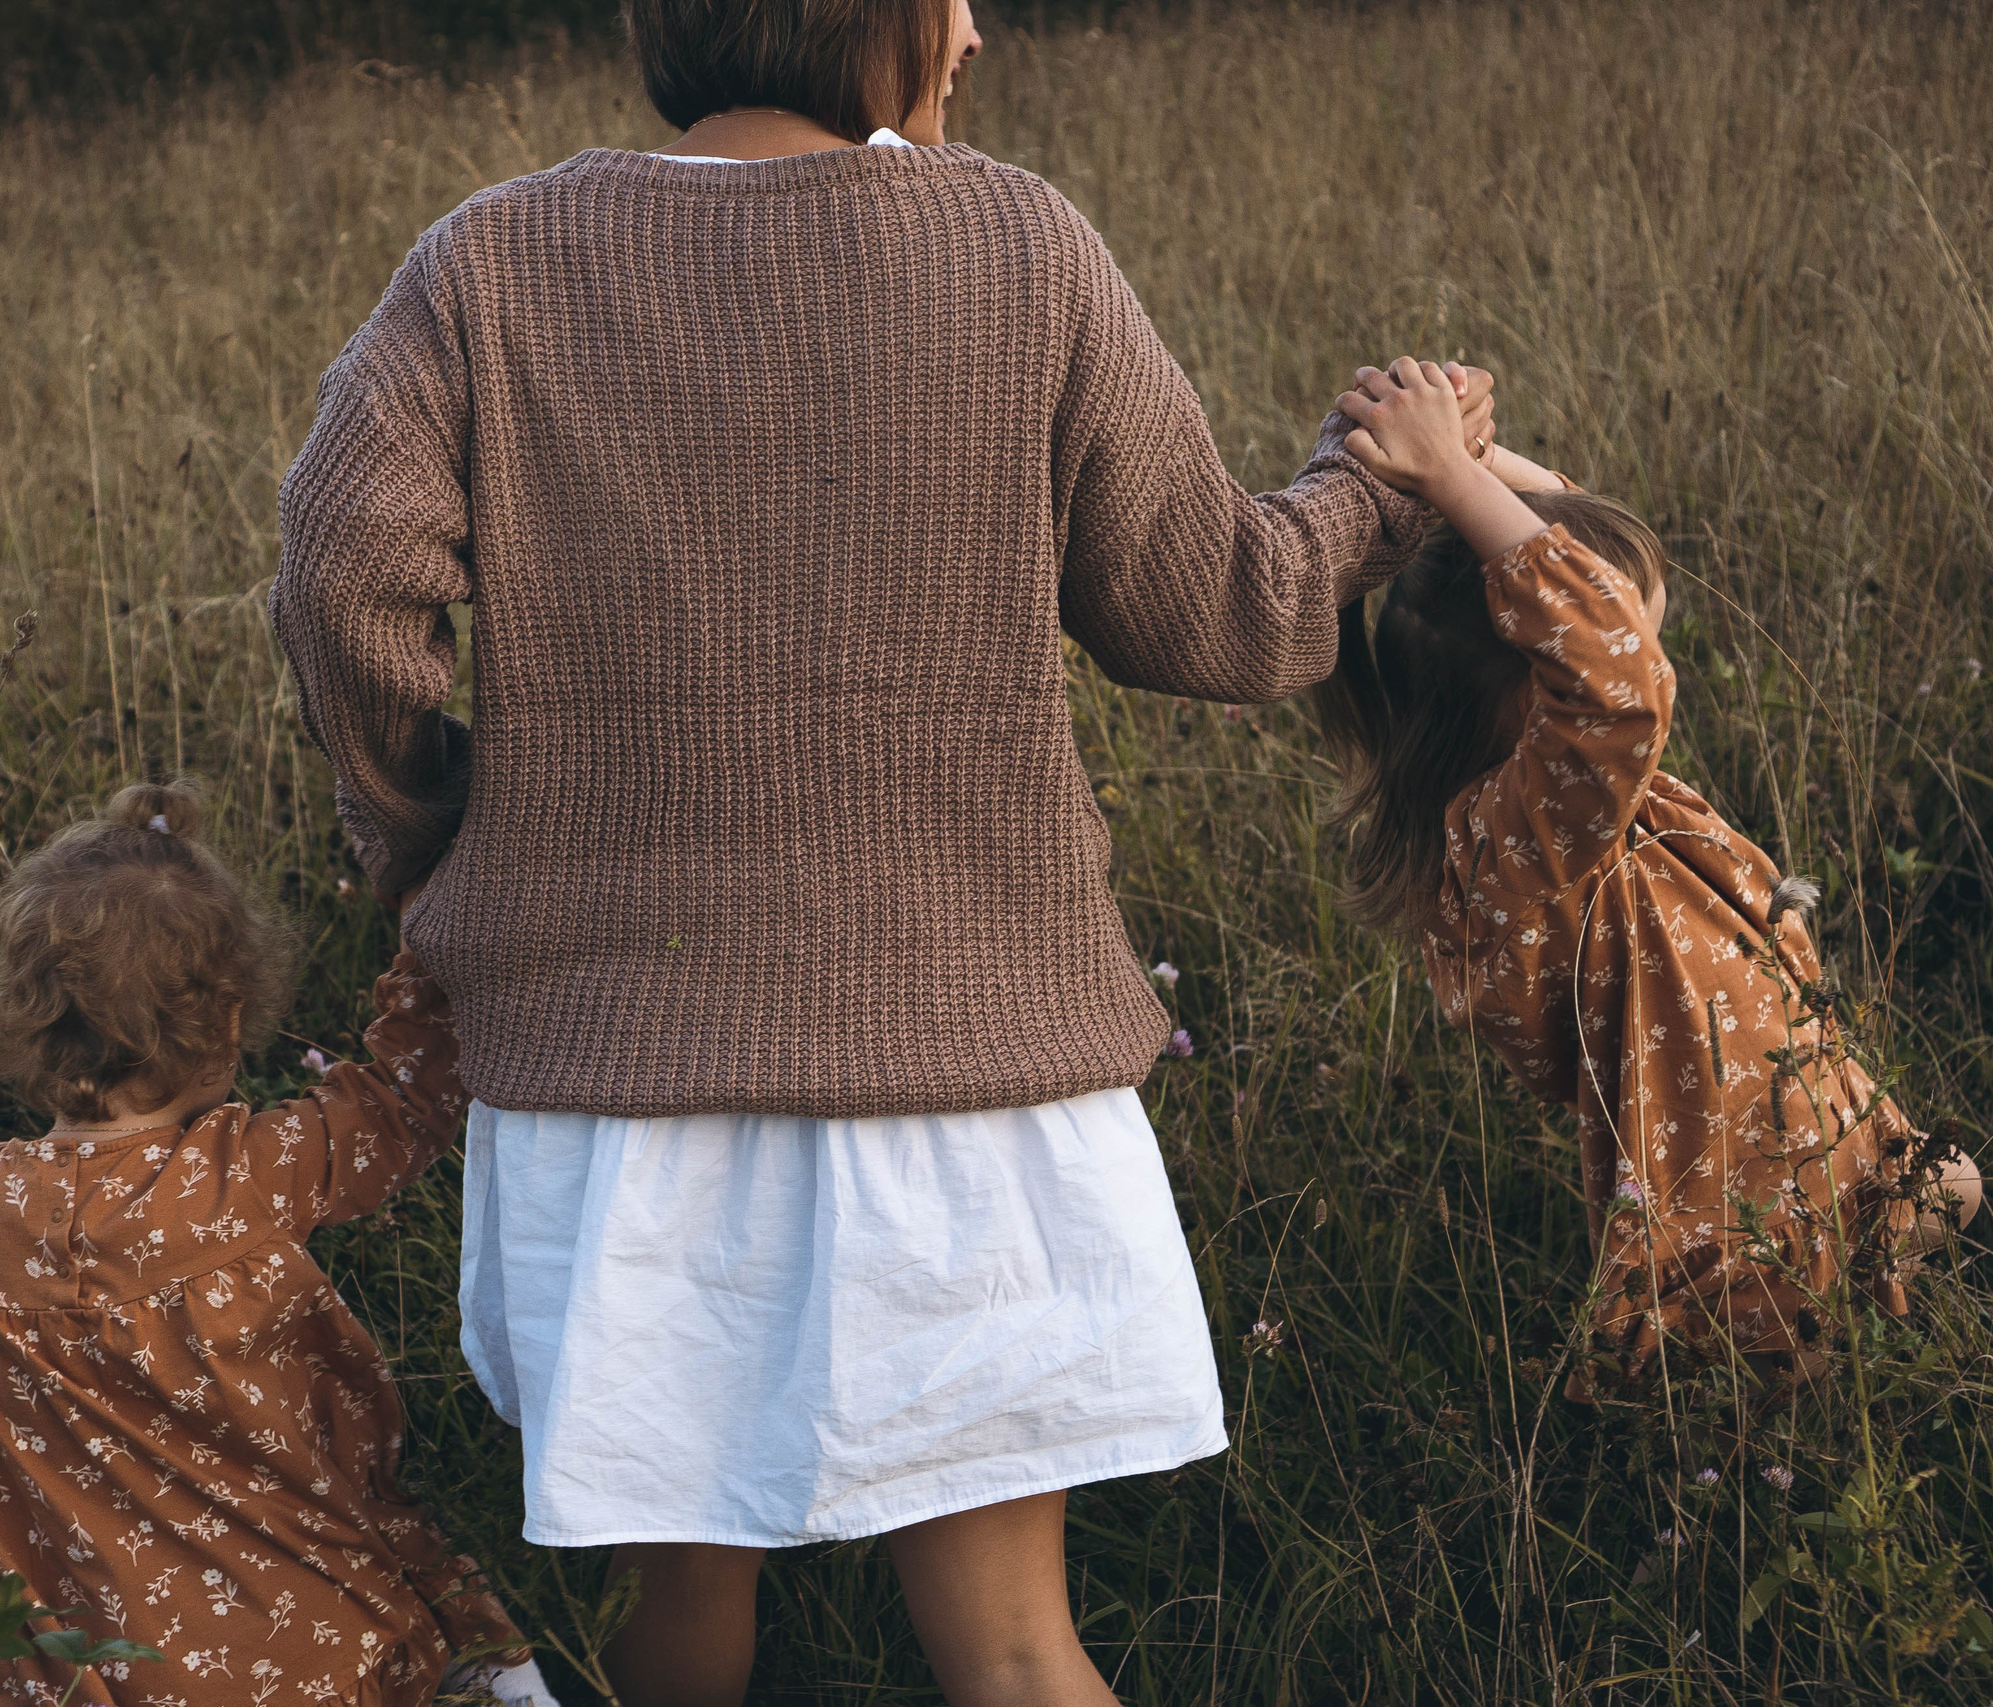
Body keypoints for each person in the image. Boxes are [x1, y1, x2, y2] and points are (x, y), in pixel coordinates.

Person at [268, 0, 1495, 1697]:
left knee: (674, 1622)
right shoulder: (1013, 238)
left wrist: (444, 837)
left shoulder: (491, 257)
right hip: (973, 1080)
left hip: (630, 1095)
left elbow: (339, 560)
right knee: (1007, 1643)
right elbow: (1228, 612)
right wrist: (1381, 488)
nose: (977, 25)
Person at [1312, 360, 1984, 1398]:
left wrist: (1472, 463)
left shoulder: (1546, 794)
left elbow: (1577, 597)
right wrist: (1448, 481)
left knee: (1946, 1189)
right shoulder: (1518, 844)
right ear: (1536, 694)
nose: (1647, 654)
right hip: (1730, 1175)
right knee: (1779, 1383)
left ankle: (1837, 1328)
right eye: (1632, 633)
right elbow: (1612, 664)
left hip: (1787, 1103)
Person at [0, 780, 557, 1707]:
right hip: (306, 1635)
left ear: (27, 1015)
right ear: (227, 1018)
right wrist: (432, 934)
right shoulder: (245, 1174)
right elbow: (405, 1097)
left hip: (90, 1669)